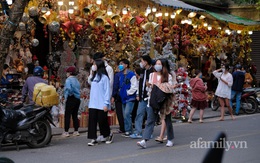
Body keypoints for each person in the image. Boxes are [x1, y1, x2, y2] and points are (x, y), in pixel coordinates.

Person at [137, 59, 175, 148]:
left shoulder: (168, 76)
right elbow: (149, 90)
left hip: (164, 100)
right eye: (156, 64)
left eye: (159, 64)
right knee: (150, 119)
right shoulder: (152, 75)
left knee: (167, 120)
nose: (157, 66)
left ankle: (170, 139)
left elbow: (170, 87)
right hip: (153, 99)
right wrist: (149, 86)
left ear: (163, 66)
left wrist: (160, 86)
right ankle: (144, 140)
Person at [88, 52, 114, 142]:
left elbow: (107, 90)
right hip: (93, 103)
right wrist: (92, 73)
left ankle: (107, 134)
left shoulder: (105, 77)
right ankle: (93, 138)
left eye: (95, 64)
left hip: (102, 103)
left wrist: (107, 103)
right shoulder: (94, 77)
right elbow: (89, 82)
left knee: (102, 121)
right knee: (92, 121)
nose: (93, 65)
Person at [130, 55, 154, 139]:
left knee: (149, 116)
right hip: (142, 96)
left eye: (142, 61)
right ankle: (138, 132)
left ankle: (149, 132)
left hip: (149, 97)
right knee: (139, 114)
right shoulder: (142, 71)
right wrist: (138, 94)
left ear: (146, 61)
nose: (141, 63)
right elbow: (140, 83)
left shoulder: (152, 71)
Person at [116, 59, 138, 137]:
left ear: (126, 65)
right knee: (125, 114)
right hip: (123, 98)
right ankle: (128, 130)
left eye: (122, 64)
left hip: (130, 97)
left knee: (127, 113)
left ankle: (128, 130)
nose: (120, 65)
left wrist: (128, 92)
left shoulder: (131, 74)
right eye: (119, 64)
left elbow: (134, 86)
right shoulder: (120, 75)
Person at [62, 66, 81, 137]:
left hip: (71, 98)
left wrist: (69, 94)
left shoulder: (68, 80)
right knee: (75, 115)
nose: (66, 74)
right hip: (77, 99)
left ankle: (66, 131)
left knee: (67, 115)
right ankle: (76, 130)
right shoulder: (76, 80)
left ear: (70, 73)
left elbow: (69, 89)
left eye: (67, 72)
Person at [111, 61, 125, 134]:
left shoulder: (117, 75)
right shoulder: (129, 73)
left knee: (119, 112)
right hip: (127, 95)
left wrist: (113, 96)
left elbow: (115, 86)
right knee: (126, 112)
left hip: (119, 96)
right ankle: (127, 127)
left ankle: (122, 127)